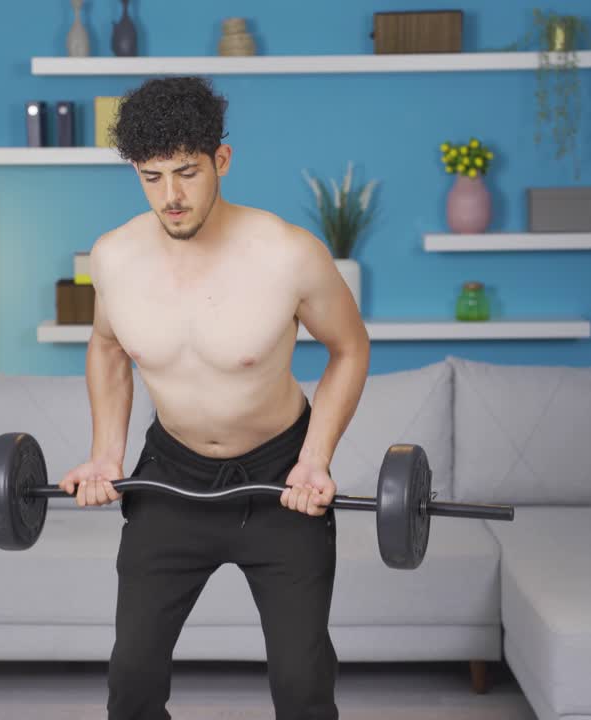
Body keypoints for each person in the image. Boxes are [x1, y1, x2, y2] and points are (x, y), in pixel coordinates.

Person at [58, 76, 371, 720]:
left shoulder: (288, 254)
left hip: (280, 481)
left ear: (221, 160)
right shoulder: (114, 258)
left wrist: (315, 459)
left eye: (187, 172)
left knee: (302, 685)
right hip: (170, 478)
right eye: (151, 177)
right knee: (132, 680)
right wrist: (106, 454)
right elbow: (108, 348)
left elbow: (350, 348)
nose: (171, 197)